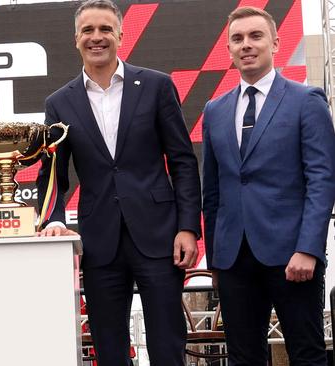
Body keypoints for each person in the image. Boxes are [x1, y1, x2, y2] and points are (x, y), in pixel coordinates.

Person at [36, 0, 201, 364]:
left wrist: (188, 227)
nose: (97, 37)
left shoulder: (157, 86)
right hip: (99, 241)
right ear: (75, 38)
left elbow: (182, 162)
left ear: (121, 35)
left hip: (159, 236)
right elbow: (52, 174)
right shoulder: (59, 103)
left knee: (166, 343)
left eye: (105, 29)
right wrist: (55, 220)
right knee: (109, 348)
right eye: (88, 31)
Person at [202, 6, 335, 365]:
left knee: (306, 353)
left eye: (255, 36)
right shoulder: (214, 110)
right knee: (243, 358)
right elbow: (211, 192)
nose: (246, 44)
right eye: (238, 38)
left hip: (293, 255)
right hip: (232, 259)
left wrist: (309, 248)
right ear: (229, 49)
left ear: (275, 43)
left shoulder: (306, 101)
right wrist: (215, 259)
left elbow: (322, 180)